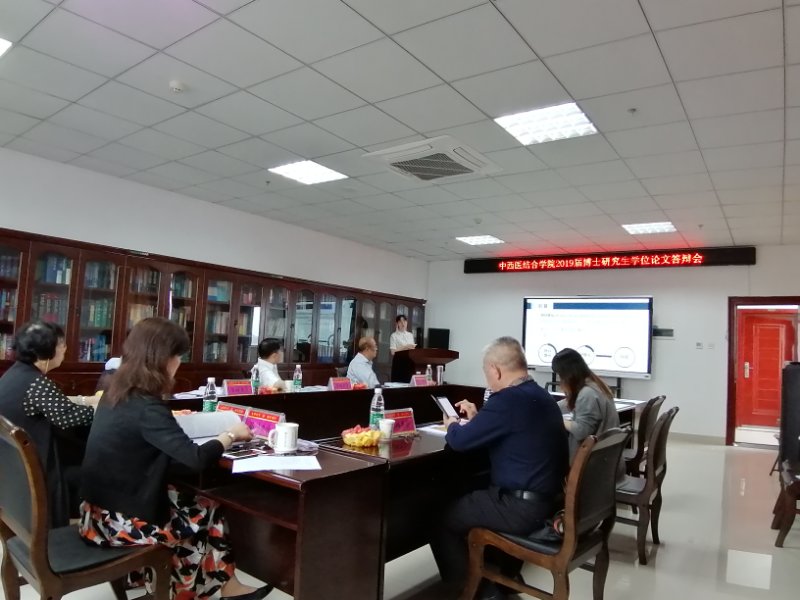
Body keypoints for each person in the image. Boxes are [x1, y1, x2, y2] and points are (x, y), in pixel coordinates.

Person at [79, 317, 272, 600]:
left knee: (194, 501)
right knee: (205, 506)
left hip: (96, 512)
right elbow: (195, 459)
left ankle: (196, 585)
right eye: (178, 355)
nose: (179, 363)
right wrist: (230, 435)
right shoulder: (147, 406)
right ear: (164, 359)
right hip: (121, 522)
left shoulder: (116, 392)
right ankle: (192, 590)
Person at [431, 337, 568, 599]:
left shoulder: (506, 400)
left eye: (487, 374)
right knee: (469, 489)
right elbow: (515, 432)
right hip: (549, 502)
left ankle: (479, 591)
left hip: (519, 508)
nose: (488, 382)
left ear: (495, 370)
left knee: (440, 518)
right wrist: (478, 420)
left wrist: (452, 424)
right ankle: (504, 576)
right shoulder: (542, 396)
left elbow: (459, 441)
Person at [0, 320, 98, 527]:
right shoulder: (36, 382)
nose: (65, 349)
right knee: (98, 465)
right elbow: (68, 417)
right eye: (61, 344)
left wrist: (85, 401)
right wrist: (101, 410)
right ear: (46, 349)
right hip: (34, 470)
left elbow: (55, 404)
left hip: (12, 466)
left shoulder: (17, 373)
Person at [551, 347, 620, 460]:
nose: (560, 380)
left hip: (593, 464)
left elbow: (581, 431)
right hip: (607, 459)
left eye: (560, 375)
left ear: (568, 375)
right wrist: (551, 407)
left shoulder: (587, 393)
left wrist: (558, 419)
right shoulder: (595, 385)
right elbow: (571, 402)